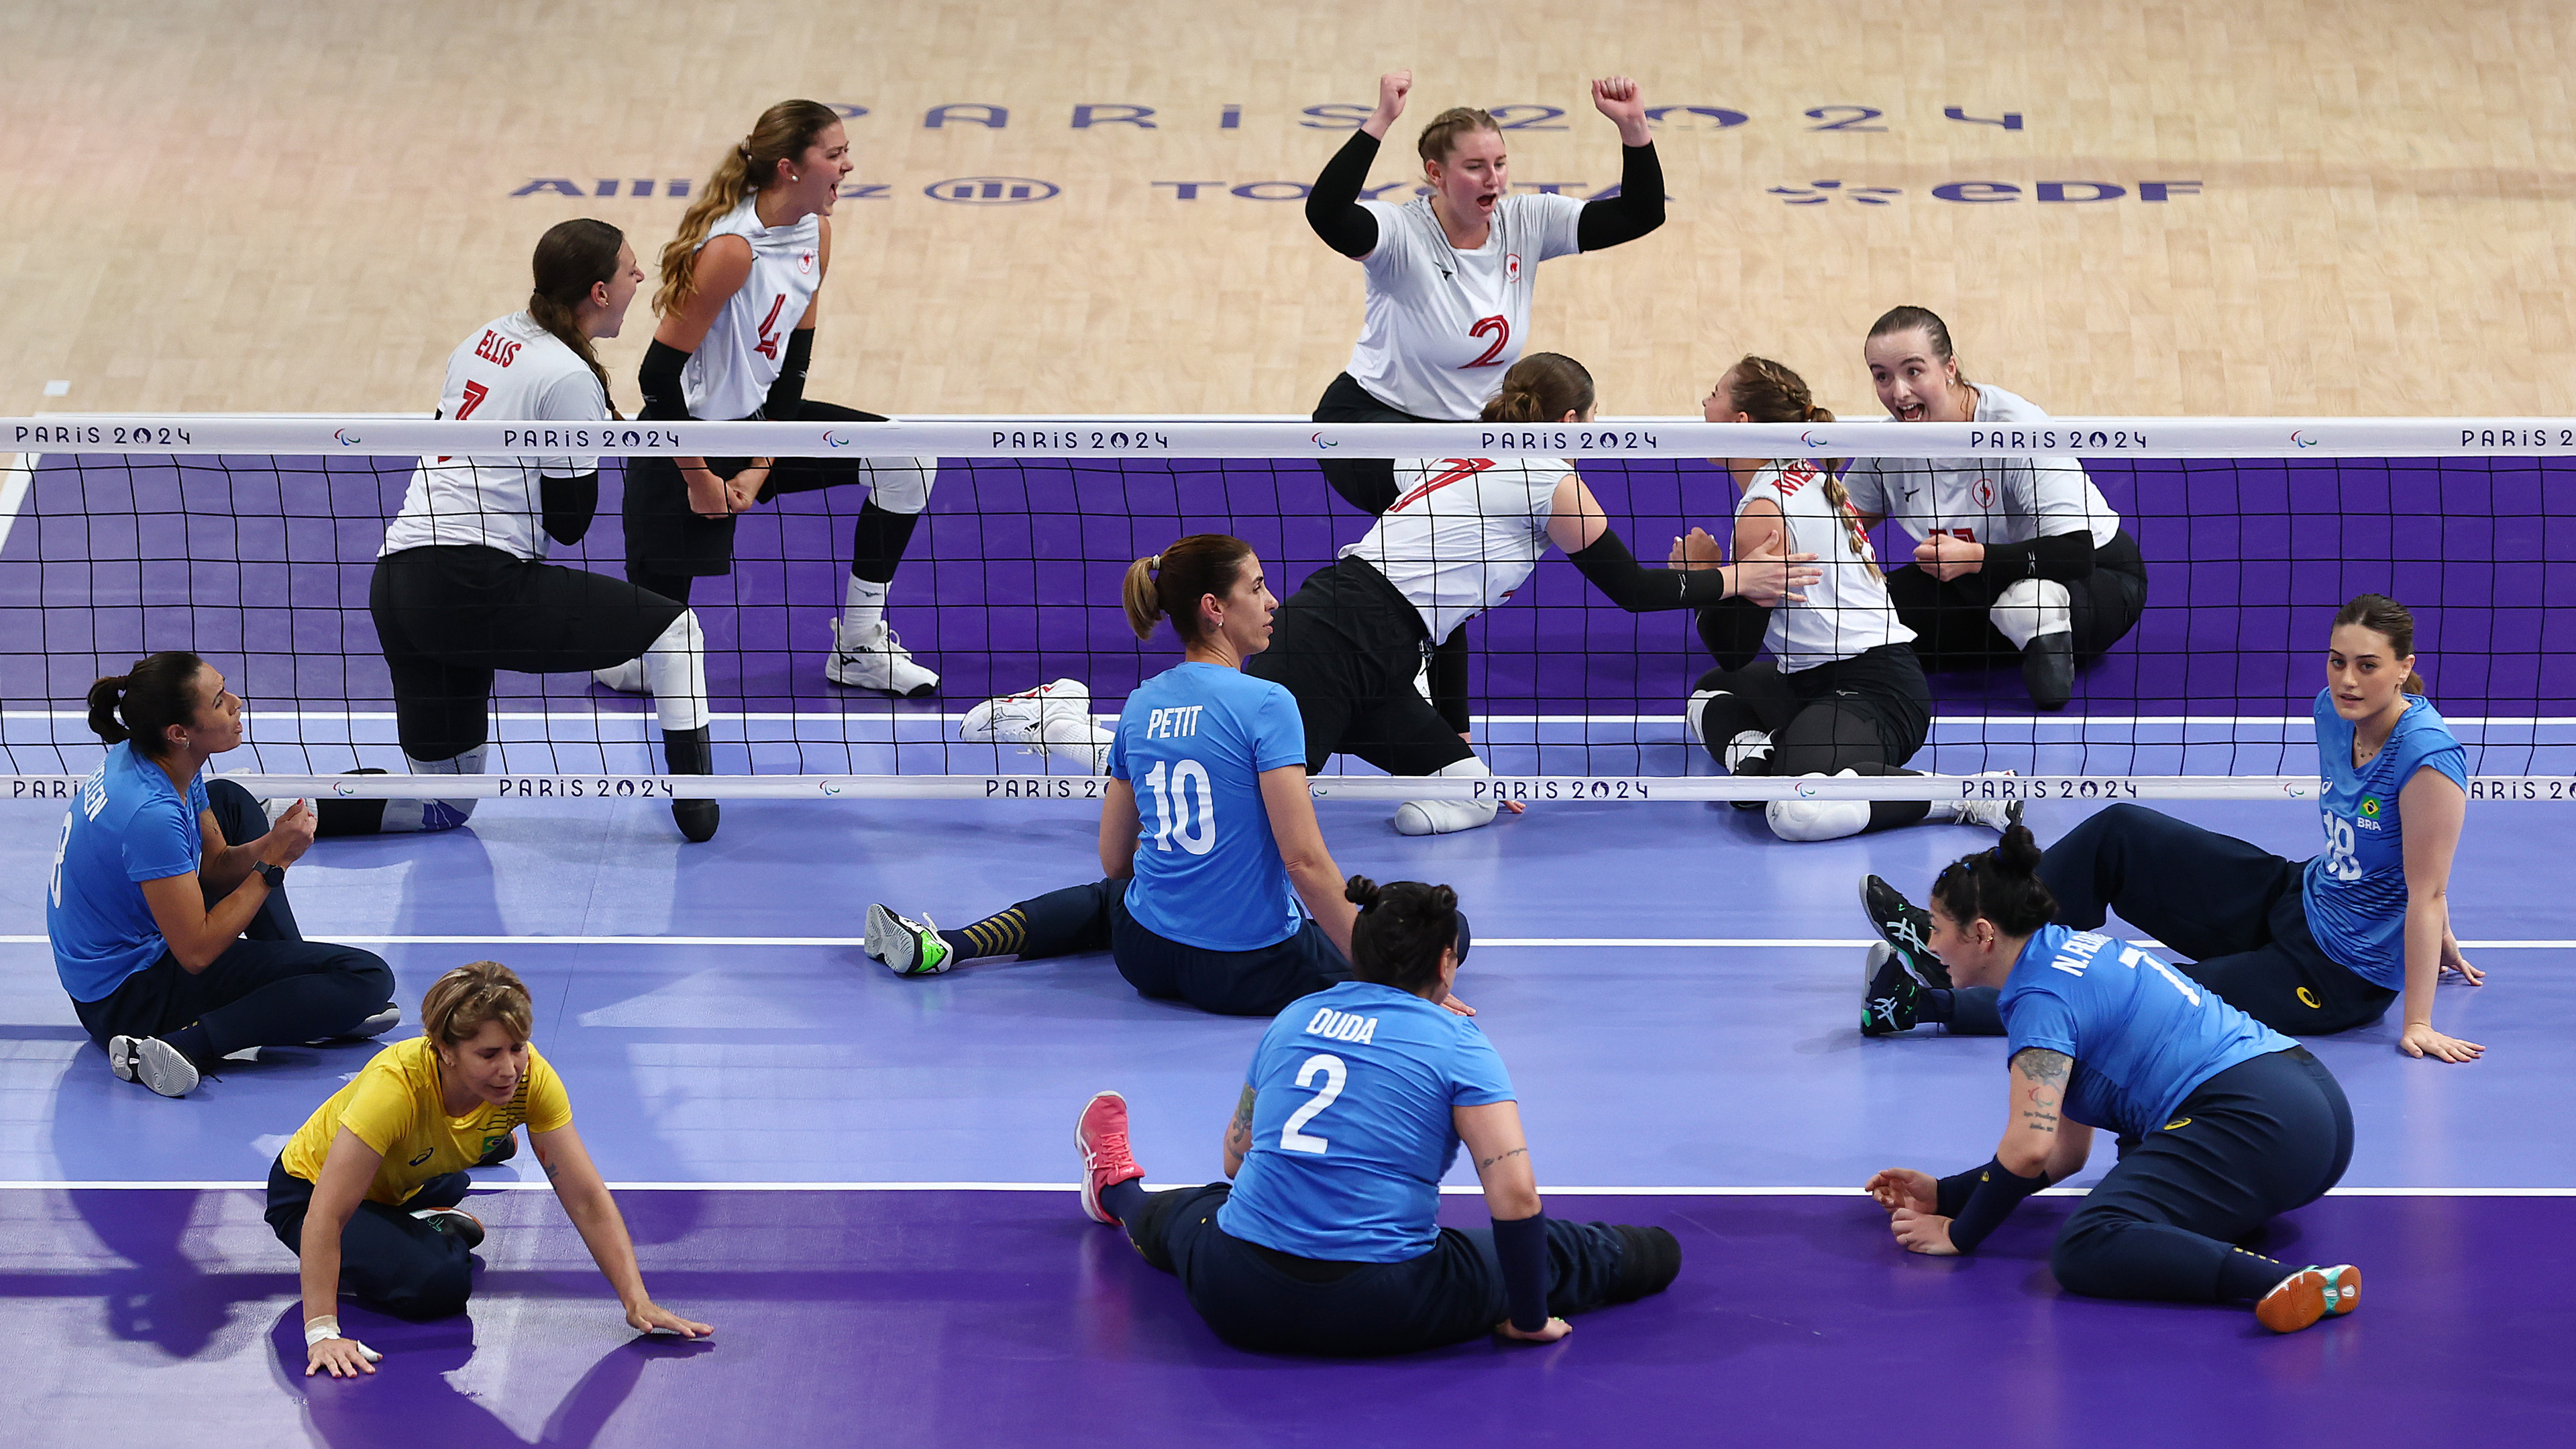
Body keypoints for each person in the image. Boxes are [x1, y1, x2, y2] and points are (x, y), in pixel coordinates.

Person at [961, 354, 1817, 837]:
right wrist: (1741, 578)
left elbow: (1450, 611)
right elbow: (1629, 588)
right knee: (1203, 806)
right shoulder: (1550, 477)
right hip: (1337, 635)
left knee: (1476, 792)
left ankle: (1423, 753)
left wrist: (1452, 725)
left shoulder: (1447, 453)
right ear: (1573, 424)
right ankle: (1061, 724)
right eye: (1592, 422)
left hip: (1386, 651)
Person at [1071, 876, 1682, 1355]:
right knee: (1579, 1251)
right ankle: (1650, 1255)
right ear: (1446, 963)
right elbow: (1516, 1197)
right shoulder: (1458, 1043)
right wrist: (1526, 1319)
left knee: (1190, 1211)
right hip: (1386, 1305)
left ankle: (1115, 1188)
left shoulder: (1292, 1019)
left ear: (1354, 952)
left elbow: (1235, 1160)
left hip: (1240, 1295)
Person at [1858, 594, 2484, 1061]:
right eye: (2337, 661)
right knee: (2120, 832)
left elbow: (2428, 887)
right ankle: (1961, 933)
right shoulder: (2335, 713)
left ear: (2404, 669)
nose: (2347, 680)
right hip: (2298, 897)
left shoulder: (2427, 757)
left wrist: (2419, 1020)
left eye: (2368, 666)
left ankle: (1922, 1003)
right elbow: (2412, 863)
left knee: (2142, 988)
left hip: (2337, 973)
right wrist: (2432, 923)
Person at [1862, 826, 2363, 1335]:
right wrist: (1945, 1194)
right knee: (2134, 1181)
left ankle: (2296, 1281)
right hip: (2308, 1110)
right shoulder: (2070, 950)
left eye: (1940, 927)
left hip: (2255, 1121)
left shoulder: (2040, 1002)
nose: (1931, 942)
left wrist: (1959, 1232)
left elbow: (2030, 1148)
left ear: (1984, 935)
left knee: (2086, 1245)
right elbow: (2065, 1154)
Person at [865, 536, 1378, 1018]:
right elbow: (1303, 861)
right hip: (1248, 973)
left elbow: (1115, 861)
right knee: (1438, 926)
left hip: (1147, 958)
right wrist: (1387, 974)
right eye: (1257, 587)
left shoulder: (1140, 705)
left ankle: (951, 944)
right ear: (1214, 608)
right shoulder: (1269, 704)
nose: (1272, 603)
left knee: (1109, 900)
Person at [1304, 69, 1668, 734]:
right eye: (1475, 167)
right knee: (1446, 551)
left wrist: (1632, 129)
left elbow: (1642, 213)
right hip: (1368, 426)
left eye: (1500, 163)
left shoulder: (1526, 222)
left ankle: (1438, 718)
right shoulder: (1402, 235)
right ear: (1436, 175)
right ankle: (1446, 724)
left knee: (1450, 558)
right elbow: (1326, 214)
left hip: (1464, 438)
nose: (1493, 178)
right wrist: (1378, 120)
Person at [361, 219, 721, 843]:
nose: (641, 276)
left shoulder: (484, 338)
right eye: (630, 269)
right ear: (599, 292)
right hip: (473, 586)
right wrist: (596, 447)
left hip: (397, 583)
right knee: (676, 630)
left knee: (445, 804)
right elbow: (571, 523)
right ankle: (696, 806)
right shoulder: (569, 377)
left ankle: (280, 808)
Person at [603, 98, 941, 697]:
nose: (848, 167)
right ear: (790, 168)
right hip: (683, 438)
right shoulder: (732, 250)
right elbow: (656, 380)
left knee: (909, 459)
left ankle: (858, 648)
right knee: (648, 667)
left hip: (760, 423)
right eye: (834, 155)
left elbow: (792, 370)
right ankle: (624, 652)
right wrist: (700, 476)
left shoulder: (818, 232)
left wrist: (763, 463)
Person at [272, 960, 712, 1378]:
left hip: (404, 1174)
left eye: (517, 1048)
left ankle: (461, 1162)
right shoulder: (395, 1089)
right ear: (445, 1049)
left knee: (447, 1165)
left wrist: (636, 1300)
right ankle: (428, 1222)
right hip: (308, 1193)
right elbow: (326, 1217)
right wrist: (323, 1332)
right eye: (488, 1055)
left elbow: (585, 1197)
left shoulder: (530, 1078)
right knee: (438, 1283)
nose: (509, 1070)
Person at [1684, 356, 2017, 843]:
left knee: (1795, 814)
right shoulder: (1811, 479)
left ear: (1741, 424)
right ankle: (1764, 760)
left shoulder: (1764, 510)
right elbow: (1732, 670)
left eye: (1714, 392)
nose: (1704, 403)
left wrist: (1705, 578)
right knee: (1711, 695)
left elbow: (1733, 647)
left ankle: (1964, 793)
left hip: (1876, 693)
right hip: (1812, 681)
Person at [47, 653, 397, 1098]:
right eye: (218, 701)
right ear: (179, 733)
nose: (236, 703)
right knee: (368, 978)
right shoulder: (151, 817)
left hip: (115, 967)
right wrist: (274, 864)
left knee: (229, 799)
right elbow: (195, 951)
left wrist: (269, 845)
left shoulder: (162, 760)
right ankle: (185, 1046)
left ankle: (294, 994)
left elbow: (213, 870)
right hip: (128, 998)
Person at [1839, 306, 2149, 708]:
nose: (1898, 392)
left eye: (1913, 371)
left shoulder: (2015, 430)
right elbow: (1838, 523)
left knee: (2025, 604)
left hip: (2093, 581)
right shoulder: (1889, 447)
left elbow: (2076, 554)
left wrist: (1976, 558)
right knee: (1859, 618)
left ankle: (2043, 627)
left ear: (1949, 368)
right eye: (1882, 376)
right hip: (1975, 583)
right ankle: (2030, 639)